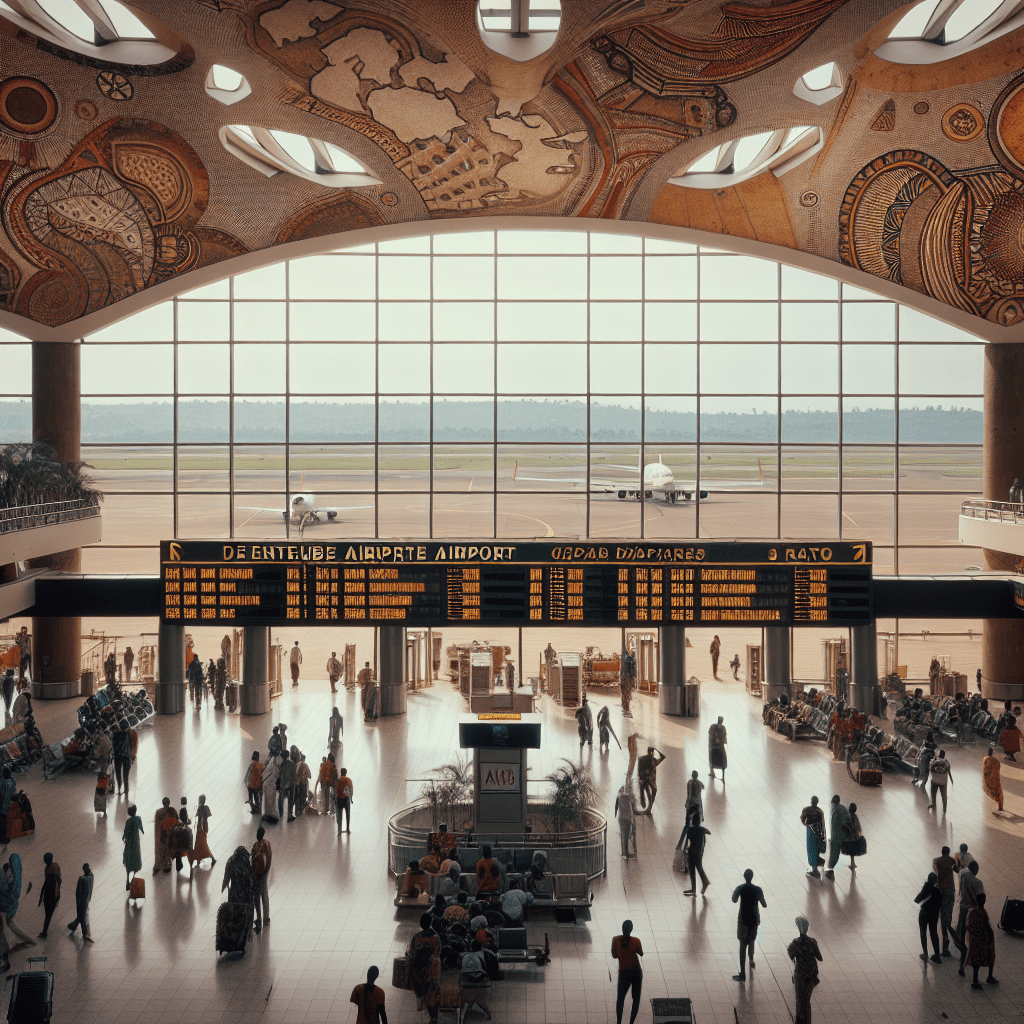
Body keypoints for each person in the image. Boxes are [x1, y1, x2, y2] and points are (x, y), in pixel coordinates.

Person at [731, 869, 767, 981]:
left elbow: (734, 900)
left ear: (744, 876)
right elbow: (764, 904)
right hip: (754, 919)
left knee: (742, 945)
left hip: (743, 920)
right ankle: (751, 958)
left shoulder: (740, 888)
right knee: (752, 940)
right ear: (752, 877)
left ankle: (742, 973)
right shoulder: (757, 889)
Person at [408, 912, 441, 1023]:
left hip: (420, 969)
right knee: (433, 992)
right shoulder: (436, 937)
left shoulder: (416, 937)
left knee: (423, 990)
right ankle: (434, 1017)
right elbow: (438, 952)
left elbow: (412, 953)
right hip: (432, 968)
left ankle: (423, 1003)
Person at [611, 920, 643, 1024]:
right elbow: (641, 953)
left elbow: (614, 956)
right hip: (636, 972)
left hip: (624, 972)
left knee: (620, 998)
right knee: (636, 999)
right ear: (631, 929)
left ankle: (619, 1022)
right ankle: (631, 1022)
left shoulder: (615, 940)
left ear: (622, 928)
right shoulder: (636, 941)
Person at [964, 892, 998, 988]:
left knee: (976, 960)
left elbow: (969, 926)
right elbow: (987, 927)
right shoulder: (982, 912)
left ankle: (975, 980)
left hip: (975, 940)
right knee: (990, 957)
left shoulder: (972, 912)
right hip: (985, 940)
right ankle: (989, 977)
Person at [957, 859, 984, 975]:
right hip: (972, 912)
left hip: (962, 909)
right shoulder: (978, 883)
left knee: (962, 939)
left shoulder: (963, 874)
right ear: (976, 870)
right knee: (973, 941)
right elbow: (981, 899)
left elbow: (959, 869)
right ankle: (971, 972)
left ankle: (961, 965)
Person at [933, 845, 961, 957]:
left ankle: (945, 947)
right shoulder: (951, 860)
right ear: (948, 852)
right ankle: (957, 944)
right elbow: (957, 870)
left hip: (940, 892)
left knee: (942, 921)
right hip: (949, 892)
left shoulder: (936, 860)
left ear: (941, 851)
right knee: (947, 921)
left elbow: (935, 871)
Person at [221, 846, 256, 935]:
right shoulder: (247, 861)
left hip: (234, 891)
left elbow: (226, 876)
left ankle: (235, 928)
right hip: (245, 892)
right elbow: (251, 876)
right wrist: (253, 889)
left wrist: (224, 886)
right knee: (247, 909)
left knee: (234, 910)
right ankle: (248, 928)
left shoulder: (231, 861)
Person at [0, 855, 33, 949]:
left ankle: (28, 941)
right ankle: (28, 941)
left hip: (6, 908)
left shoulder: (11, 881)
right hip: (10, 906)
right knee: (11, 925)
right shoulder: (17, 875)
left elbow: (5, 890)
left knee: (9, 925)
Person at [915, 871, 943, 963]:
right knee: (934, 934)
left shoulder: (927, 888)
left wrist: (926, 884)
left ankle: (925, 954)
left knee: (923, 933)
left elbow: (919, 898)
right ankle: (937, 956)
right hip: (934, 916)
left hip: (924, 914)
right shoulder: (938, 891)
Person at [679, 818, 711, 896]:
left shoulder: (690, 830)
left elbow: (689, 838)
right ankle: (704, 882)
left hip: (692, 852)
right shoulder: (701, 830)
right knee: (699, 868)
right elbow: (709, 832)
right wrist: (702, 829)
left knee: (692, 871)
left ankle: (695, 888)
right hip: (699, 853)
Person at [66, 864, 94, 942]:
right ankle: (84, 934)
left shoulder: (83, 878)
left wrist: (78, 902)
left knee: (81, 917)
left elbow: (78, 892)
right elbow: (79, 892)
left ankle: (73, 926)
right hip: (85, 900)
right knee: (82, 917)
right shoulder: (90, 877)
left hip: (83, 901)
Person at [251, 826, 271, 932]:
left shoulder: (255, 846)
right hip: (262, 874)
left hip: (257, 875)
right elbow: (269, 859)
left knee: (257, 897)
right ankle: (265, 918)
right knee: (264, 895)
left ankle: (259, 919)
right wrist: (266, 871)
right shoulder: (266, 844)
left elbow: (253, 861)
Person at [800, 796, 826, 878]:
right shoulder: (820, 811)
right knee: (817, 847)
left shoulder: (806, 810)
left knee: (811, 849)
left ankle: (814, 870)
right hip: (819, 832)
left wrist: (808, 825)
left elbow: (803, 820)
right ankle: (818, 860)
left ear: (811, 801)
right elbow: (823, 823)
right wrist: (822, 834)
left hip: (811, 832)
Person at [824, 795, 848, 880]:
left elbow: (840, 823)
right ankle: (830, 869)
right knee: (835, 853)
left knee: (834, 853)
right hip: (842, 835)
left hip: (837, 836)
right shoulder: (843, 808)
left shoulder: (836, 810)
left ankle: (830, 871)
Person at [37, 853, 60, 938]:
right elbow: (46, 882)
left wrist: (56, 895)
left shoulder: (54, 870)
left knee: (48, 915)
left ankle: (44, 931)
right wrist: (41, 896)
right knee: (48, 914)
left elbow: (56, 883)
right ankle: (44, 931)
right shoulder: (48, 868)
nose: (44, 861)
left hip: (52, 895)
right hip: (48, 895)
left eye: (45, 859)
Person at [637, 746, 666, 811]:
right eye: (650, 752)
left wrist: (656, 750)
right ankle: (646, 807)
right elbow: (640, 770)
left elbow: (663, 757)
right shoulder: (645, 760)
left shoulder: (654, 761)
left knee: (653, 794)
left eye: (651, 752)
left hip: (653, 781)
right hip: (647, 780)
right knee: (650, 792)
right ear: (648, 752)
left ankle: (649, 808)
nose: (651, 753)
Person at [122, 804, 143, 891]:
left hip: (129, 843)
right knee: (136, 859)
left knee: (128, 860)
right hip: (136, 843)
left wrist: (124, 837)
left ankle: (128, 880)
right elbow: (141, 829)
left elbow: (126, 833)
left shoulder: (128, 821)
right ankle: (134, 877)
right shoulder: (138, 819)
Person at [614, 783, 637, 860]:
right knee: (627, 836)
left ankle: (624, 854)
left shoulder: (619, 796)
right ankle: (626, 853)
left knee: (623, 836)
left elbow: (616, 807)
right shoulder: (630, 796)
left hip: (621, 819)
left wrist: (615, 814)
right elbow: (633, 807)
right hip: (628, 818)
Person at [153, 797, 175, 874]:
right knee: (167, 848)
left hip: (160, 834)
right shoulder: (172, 811)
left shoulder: (158, 812)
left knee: (159, 849)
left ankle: (158, 865)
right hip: (168, 834)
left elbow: (157, 825)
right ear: (169, 803)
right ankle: (167, 865)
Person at [840, 801, 865, 869]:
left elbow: (843, 826)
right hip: (854, 837)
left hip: (848, 837)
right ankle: (852, 863)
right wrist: (860, 834)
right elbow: (858, 827)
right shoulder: (855, 816)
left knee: (851, 851)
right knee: (853, 851)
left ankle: (852, 862)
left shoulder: (847, 816)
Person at [192, 795, 215, 867]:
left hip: (200, 829)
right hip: (205, 827)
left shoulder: (200, 808)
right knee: (200, 844)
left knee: (201, 844)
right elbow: (208, 815)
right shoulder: (206, 808)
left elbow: (198, 817)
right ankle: (198, 860)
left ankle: (212, 858)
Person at [982, 747, 1004, 811]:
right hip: (995, 779)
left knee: (990, 791)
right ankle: (1000, 806)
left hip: (988, 780)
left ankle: (999, 805)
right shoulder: (996, 761)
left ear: (988, 752)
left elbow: (984, 769)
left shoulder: (985, 759)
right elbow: (998, 770)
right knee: (998, 792)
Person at [261, 753, 280, 823]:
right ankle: (271, 815)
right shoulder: (274, 761)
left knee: (268, 799)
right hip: (270, 783)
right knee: (270, 799)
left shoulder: (270, 760)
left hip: (266, 783)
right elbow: (276, 772)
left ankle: (268, 814)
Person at [278, 750, 296, 822]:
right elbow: (294, 775)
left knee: (281, 800)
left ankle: (281, 815)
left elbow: (280, 776)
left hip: (283, 785)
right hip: (290, 785)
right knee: (291, 800)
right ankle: (289, 815)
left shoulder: (281, 764)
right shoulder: (292, 764)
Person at [336, 767, 353, 835]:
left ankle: (339, 831)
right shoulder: (348, 780)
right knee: (347, 814)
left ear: (341, 773)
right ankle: (347, 829)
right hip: (346, 799)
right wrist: (351, 798)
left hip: (338, 799)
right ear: (346, 773)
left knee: (339, 815)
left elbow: (335, 790)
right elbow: (350, 790)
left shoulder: (338, 780)